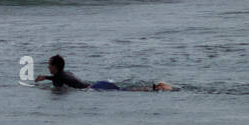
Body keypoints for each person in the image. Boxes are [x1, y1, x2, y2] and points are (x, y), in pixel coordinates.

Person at [34, 54, 172, 91]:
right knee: (125, 89)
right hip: (98, 85)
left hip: (95, 88)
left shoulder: (59, 76)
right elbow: (58, 78)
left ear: (55, 66)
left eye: (49, 65)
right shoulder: (66, 72)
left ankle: (157, 87)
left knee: (127, 91)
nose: (48, 67)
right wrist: (46, 78)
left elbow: (57, 81)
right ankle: (156, 87)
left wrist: (43, 79)